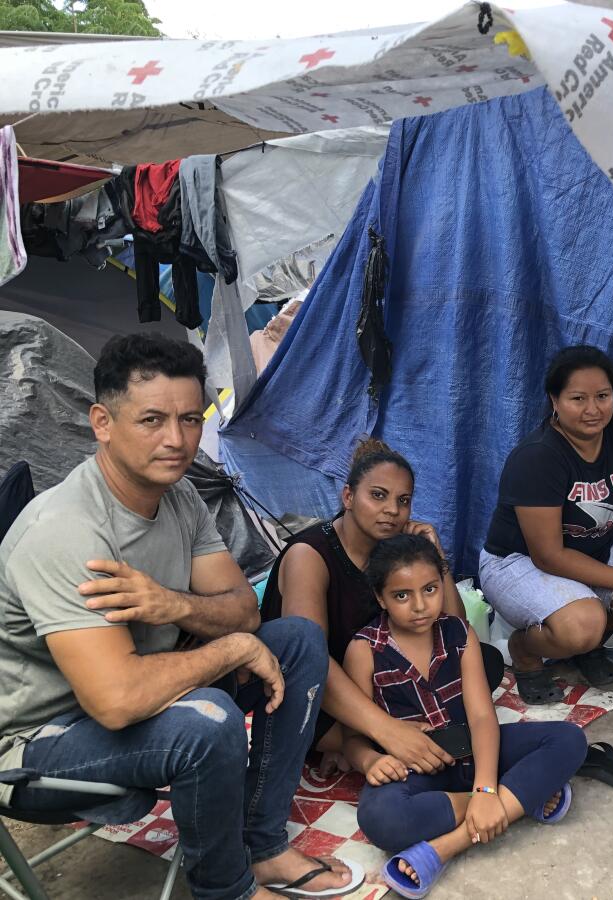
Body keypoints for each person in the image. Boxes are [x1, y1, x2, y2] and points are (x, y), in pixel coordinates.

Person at [0, 334, 363, 900]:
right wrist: (232, 648)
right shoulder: (67, 532)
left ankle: (263, 846)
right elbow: (116, 700)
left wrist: (174, 604)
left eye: (191, 419)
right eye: (151, 419)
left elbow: (242, 608)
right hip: (43, 742)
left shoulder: (180, 498)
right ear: (102, 422)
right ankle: (227, 890)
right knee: (207, 719)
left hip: (142, 687)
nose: (176, 440)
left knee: (295, 640)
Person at [347, 535, 587, 898]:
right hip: (416, 766)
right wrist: (368, 760)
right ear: (380, 598)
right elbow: (353, 734)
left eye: (430, 589)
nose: (419, 606)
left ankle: (447, 846)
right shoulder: (364, 649)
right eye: (401, 595)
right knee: (382, 819)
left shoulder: (459, 634)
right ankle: (521, 797)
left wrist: (486, 788)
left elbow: (481, 717)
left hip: (474, 750)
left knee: (568, 739)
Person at [262, 437, 505, 774]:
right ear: (348, 496)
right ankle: (364, 742)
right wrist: (387, 730)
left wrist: (436, 557)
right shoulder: (310, 555)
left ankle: (376, 742)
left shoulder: (390, 550)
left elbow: (452, 630)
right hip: (317, 695)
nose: (392, 510)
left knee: (485, 660)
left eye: (402, 501)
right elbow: (308, 660)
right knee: (449, 713)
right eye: (378, 495)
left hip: (381, 684)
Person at [480, 346, 613, 704]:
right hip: (518, 560)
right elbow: (549, 556)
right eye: (578, 398)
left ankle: (590, 641)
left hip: (597, 544)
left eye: (603, 396)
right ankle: (526, 652)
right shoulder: (539, 457)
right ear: (554, 400)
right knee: (583, 623)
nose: (593, 409)